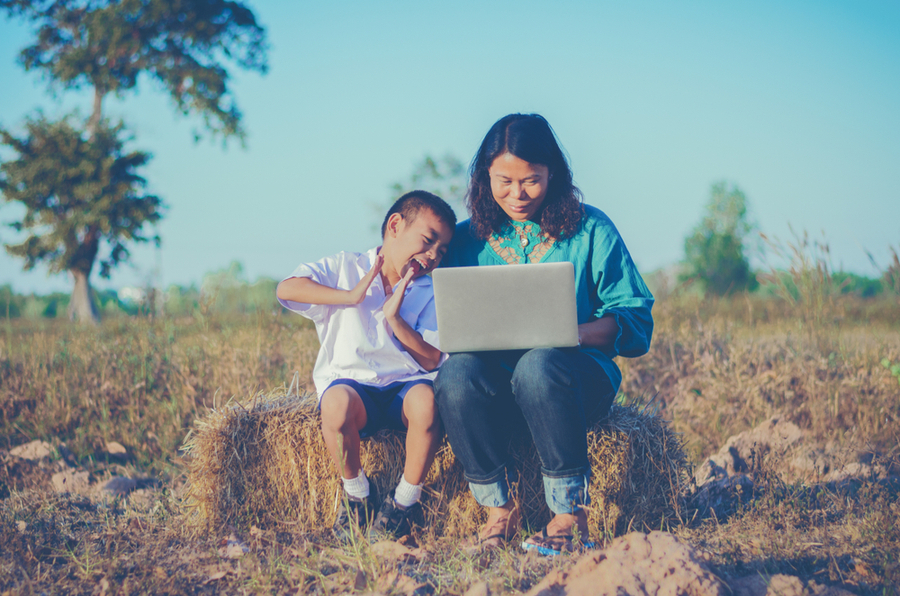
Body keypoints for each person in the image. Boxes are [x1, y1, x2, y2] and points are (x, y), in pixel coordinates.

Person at [434, 114, 654, 555]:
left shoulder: (592, 229)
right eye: (504, 181)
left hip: (572, 380)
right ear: (483, 177)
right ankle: (500, 509)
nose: (517, 195)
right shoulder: (461, 241)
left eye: (531, 181)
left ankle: (570, 513)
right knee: (455, 376)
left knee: (538, 365)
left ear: (554, 174)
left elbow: (635, 321)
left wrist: (568, 332)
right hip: (493, 390)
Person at [276, 190, 456, 538]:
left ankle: (404, 501)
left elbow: (433, 358)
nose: (433, 255)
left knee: (428, 403)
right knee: (335, 404)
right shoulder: (345, 267)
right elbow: (287, 289)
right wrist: (349, 296)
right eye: (427, 240)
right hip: (354, 390)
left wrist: (397, 322)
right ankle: (357, 495)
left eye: (442, 250)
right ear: (394, 225)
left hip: (406, 388)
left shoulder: (432, 289)